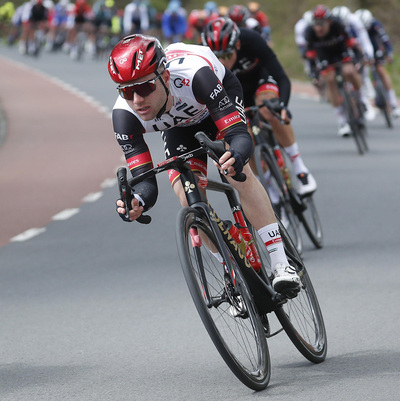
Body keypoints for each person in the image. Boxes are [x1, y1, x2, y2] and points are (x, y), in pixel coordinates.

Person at [108, 34, 301, 294]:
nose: (137, 101)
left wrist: (236, 155)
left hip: (215, 103)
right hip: (179, 126)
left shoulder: (196, 76)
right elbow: (145, 182)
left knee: (238, 172)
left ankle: (281, 263)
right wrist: (137, 202)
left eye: (143, 88)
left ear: (165, 77)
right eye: (126, 91)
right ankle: (230, 268)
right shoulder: (124, 115)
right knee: (187, 196)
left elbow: (240, 137)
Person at [201, 17, 317, 199]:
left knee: (268, 109)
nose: (222, 62)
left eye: (226, 55)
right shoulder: (201, 55)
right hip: (234, 94)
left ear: (238, 45)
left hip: (260, 82)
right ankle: (271, 190)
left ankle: (299, 167)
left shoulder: (252, 40)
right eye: (217, 57)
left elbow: (281, 77)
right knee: (242, 136)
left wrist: (282, 106)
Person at [304, 5, 371, 137]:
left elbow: (352, 42)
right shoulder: (310, 32)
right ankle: (342, 121)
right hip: (324, 56)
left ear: (329, 22)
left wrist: (358, 58)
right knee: (329, 80)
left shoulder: (338, 26)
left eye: (322, 24)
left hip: (341, 51)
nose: (319, 28)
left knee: (349, 71)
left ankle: (360, 98)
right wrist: (313, 71)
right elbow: (310, 55)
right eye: (316, 24)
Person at [355, 8, 399, 118]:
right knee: (361, 73)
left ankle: (393, 103)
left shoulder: (375, 24)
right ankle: (366, 100)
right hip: (361, 51)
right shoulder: (354, 27)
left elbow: (385, 39)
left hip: (375, 49)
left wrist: (389, 53)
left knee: (381, 71)